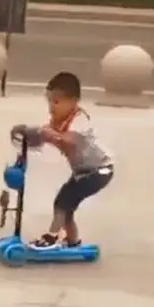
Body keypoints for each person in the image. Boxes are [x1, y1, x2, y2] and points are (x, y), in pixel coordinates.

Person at [26, 71, 114, 249]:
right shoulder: (58, 121)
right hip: (83, 172)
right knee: (66, 207)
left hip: (99, 171)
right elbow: (46, 135)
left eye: (56, 102)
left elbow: (69, 139)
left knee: (63, 202)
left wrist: (48, 134)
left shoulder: (80, 119)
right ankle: (73, 241)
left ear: (73, 101)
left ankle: (51, 238)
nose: (51, 107)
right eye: (49, 101)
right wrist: (29, 136)